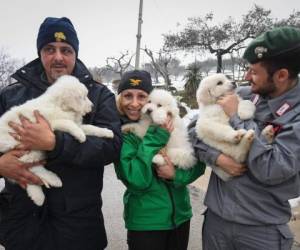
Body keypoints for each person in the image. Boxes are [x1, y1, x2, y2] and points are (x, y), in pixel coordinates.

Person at [0, 17, 122, 250]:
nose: (58, 57)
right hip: (21, 227)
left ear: (75, 53)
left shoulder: (97, 95)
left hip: (77, 228)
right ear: (40, 53)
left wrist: (56, 143)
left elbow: (112, 146)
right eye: (49, 49)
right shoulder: (11, 95)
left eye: (66, 50)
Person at [189, 26, 300, 250]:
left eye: (254, 72)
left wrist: (237, 119)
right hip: (217, 222)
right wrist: (217, 158)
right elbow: (193, 128)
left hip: (261, 231)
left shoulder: (296, 114)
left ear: (281, 75)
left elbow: (272, 169)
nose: (246, 77)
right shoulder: (244, 94)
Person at [114, 69, 206, 250]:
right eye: (127, 96)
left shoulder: (172, 122)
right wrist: (156, 137)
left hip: (180, 217)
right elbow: (137, 180)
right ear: (119, 100)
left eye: (141, 96)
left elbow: (198, 164)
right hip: (146, 223)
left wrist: (175, 175)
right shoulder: (124, 135)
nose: (134, 103)